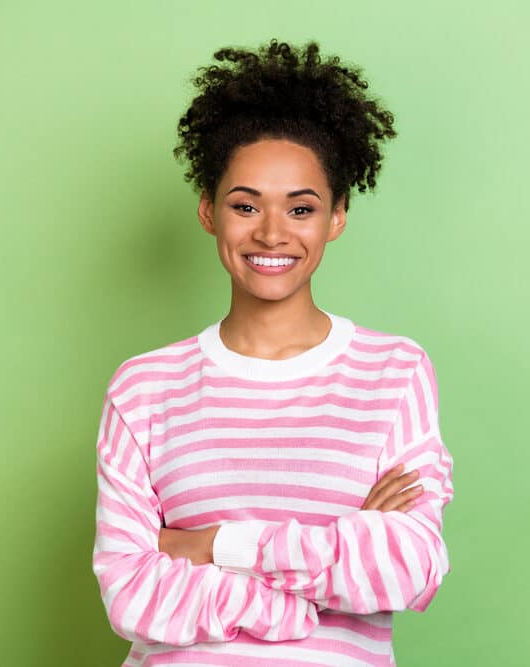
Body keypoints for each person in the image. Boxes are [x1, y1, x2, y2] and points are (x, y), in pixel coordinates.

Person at [92, 38, 454, 667]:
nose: (271, 232)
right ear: (209, 210)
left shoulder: (394, 373)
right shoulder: (144, 387)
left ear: (337, 216)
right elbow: (129, 590)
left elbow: (407, 568)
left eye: (302, 207)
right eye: (245, 204)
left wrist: (213, 544)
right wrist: (312, 584)